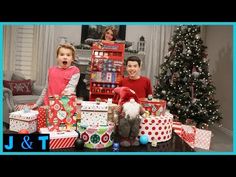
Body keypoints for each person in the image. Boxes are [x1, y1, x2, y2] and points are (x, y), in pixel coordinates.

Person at [32, 43, 80, 109]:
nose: (65, 57)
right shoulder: (51, 70)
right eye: (62, 54)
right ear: (57, 57)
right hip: (48, 106)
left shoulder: (75, 71)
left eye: (68, 55)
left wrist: (59, 102)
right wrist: (37, 104)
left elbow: (70, 88)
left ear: (72, 58)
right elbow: (46, 89)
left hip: (65, 106)